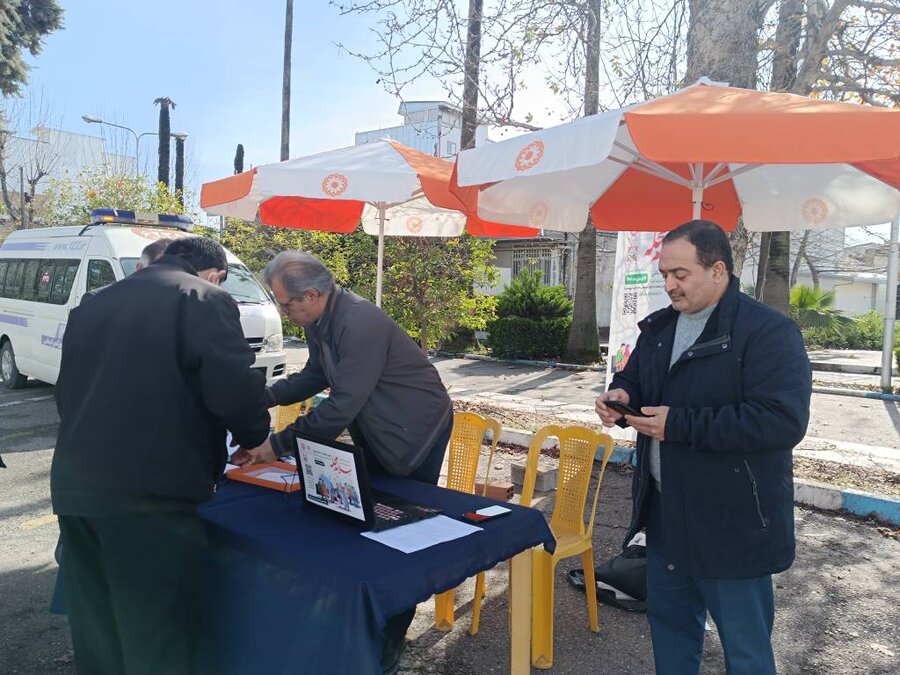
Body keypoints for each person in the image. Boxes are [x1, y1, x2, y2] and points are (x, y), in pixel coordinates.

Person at [595, 220, 811, 675]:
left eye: (680, 274)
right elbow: (636, 379)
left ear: (718, 270)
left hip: (733, 522)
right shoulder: (660, 328)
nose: (669, 285)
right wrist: (621, 396)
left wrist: (680, 425)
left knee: (746, 652)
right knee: (671, 634)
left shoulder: (768, 332)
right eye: (664, 274)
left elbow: (781, 421)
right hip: (666, 514)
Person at [51, 236, 271, 675]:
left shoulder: (94, 303)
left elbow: (67, 391)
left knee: (96, 625)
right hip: (150, 496)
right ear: (215, 274)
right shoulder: (204, 299)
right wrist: (254, 437)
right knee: (156, 633)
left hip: (76, 488)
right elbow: (233, 388)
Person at [232, 250, 453, 675]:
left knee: (400, 533)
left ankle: (389, 642)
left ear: (312, 295)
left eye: (286, 304)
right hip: (378, 424)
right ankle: (364, 625)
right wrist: (264, 397)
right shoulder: (320, 320)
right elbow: (315, 376)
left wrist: (276, 446)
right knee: (365, 524)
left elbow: (341, 406)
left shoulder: (359, 321)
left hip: (416, 429)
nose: (284, 312)